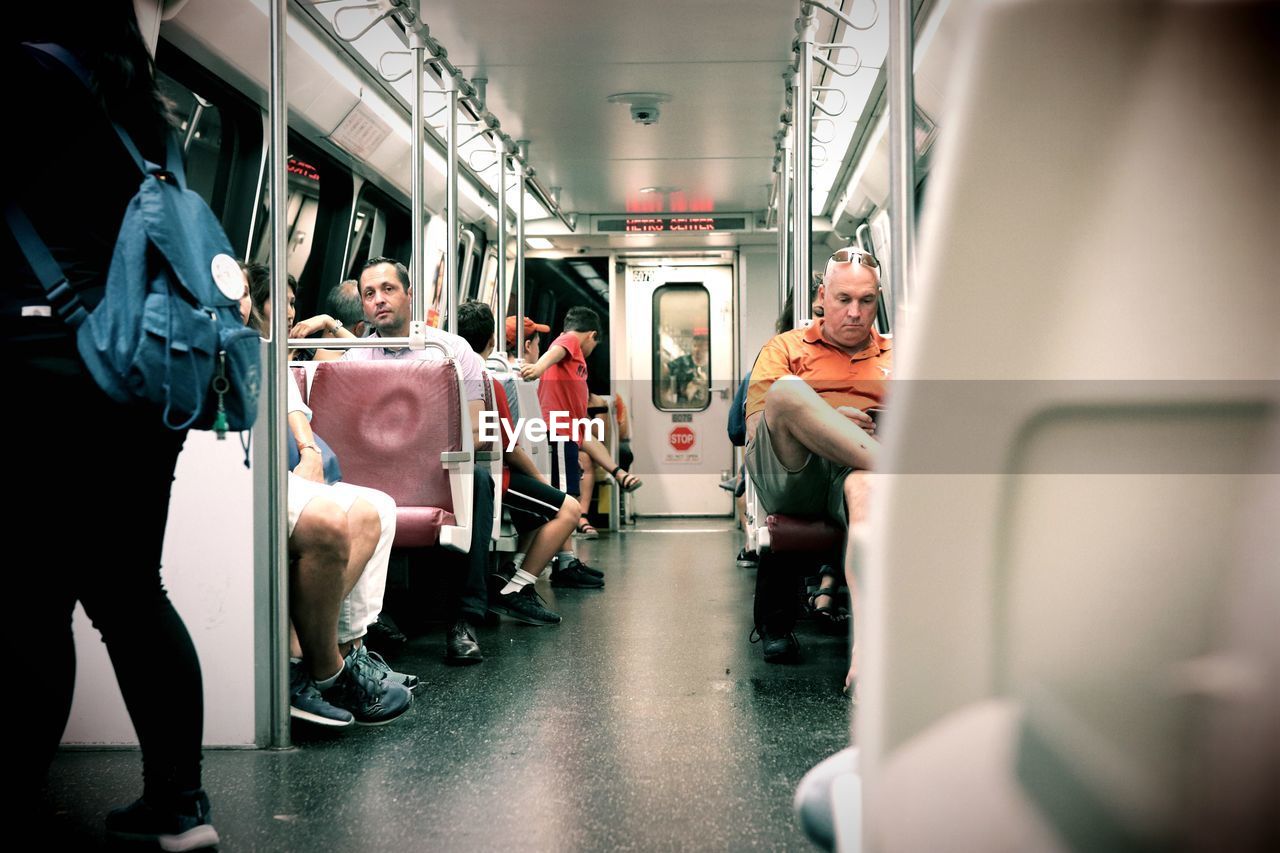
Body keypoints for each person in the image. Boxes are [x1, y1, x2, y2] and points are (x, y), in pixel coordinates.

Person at [6, 5, 219, 846]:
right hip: (140, 377)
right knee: (131, 592)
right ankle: (177, 807)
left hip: (41, 370)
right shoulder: (152, 116)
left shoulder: (26, 77)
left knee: (29, 605)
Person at [247, 274, 415, 726]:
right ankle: (318, 663)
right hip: (248, 475)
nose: (284, 311)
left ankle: (342, 646)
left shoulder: (270, 352)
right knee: (332, 518)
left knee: (379, 506)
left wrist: (308, 450)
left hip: (284, 467)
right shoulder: (242, 348)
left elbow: (293, 407)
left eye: (290, 302)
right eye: (270, 301)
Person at [745, 248, 889, 687]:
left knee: (868, 491)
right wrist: (829, 418)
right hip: (796, 471)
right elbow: (756, 428)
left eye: (866, 301)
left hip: (859, 469)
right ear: (821, 296)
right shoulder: (785, 347)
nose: (855, 312)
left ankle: (869, 654)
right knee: (787, 392)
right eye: (844, 299)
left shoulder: (900, 353)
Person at [344, 257, 492, 662]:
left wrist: (429, 453)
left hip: (439, 467)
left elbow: (477, 429)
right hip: (375, 473)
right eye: (369, 294)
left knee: (479, 481)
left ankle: (465, 617)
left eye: (388, 289)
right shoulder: (354, 359)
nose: (379, 300)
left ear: (410, 295)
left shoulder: (452, 350)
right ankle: (373, 618)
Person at [458, 300, 603, 606]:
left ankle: (513, 570)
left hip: (456, 474)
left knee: (537, 505)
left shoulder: (445, 374)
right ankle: (517, 588)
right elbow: (509, 447)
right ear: (491, 341)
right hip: (498, 477)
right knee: (567, 507)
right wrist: (541, 480)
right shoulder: (498, 383)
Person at [519, 307, 643, 541]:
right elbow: (556, 350)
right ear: (591, 335)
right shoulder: (571, 341)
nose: (591, 351)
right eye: (594, 345)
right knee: (567, 499)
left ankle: (618, 473)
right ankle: (564, 560)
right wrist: (538, 368)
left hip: (571, 427)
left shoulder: (576, 360)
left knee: (587, 453)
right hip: (559, 431)